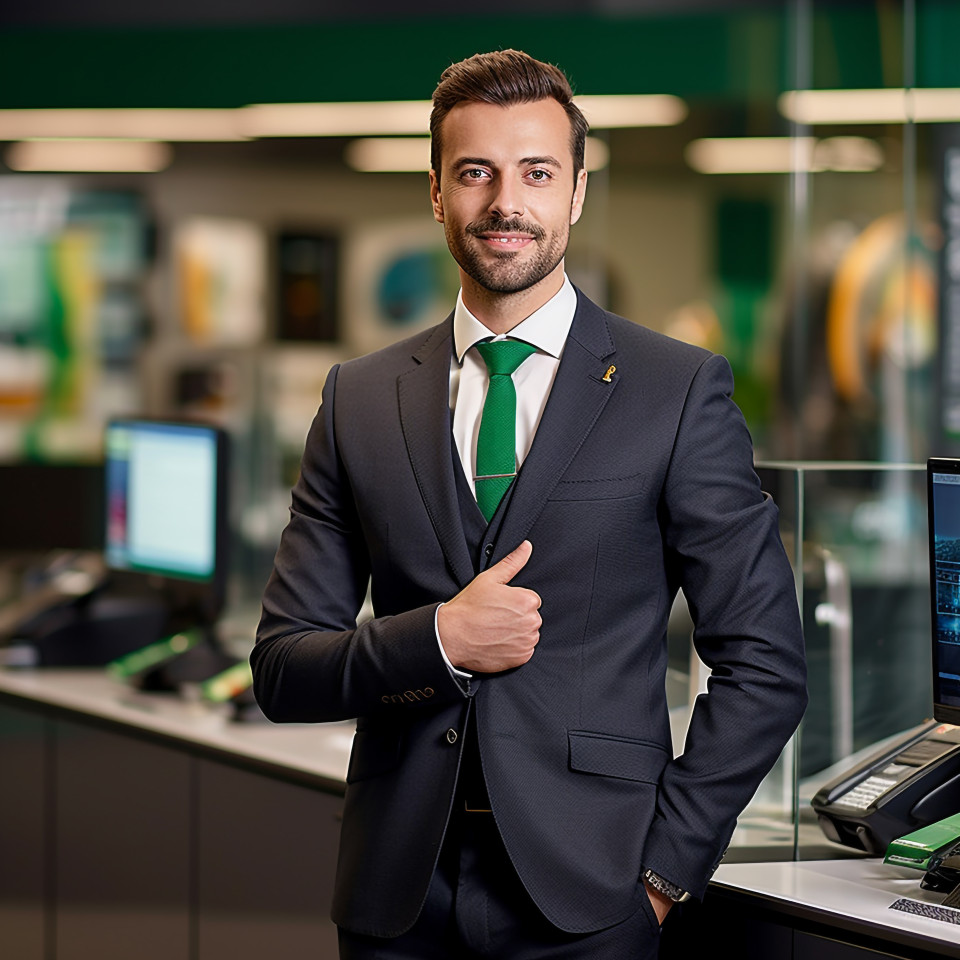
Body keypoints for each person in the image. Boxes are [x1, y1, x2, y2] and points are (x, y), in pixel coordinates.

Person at [253, 49, 807, 959]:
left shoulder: (675, 389)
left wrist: (664, 875)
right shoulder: (359, 396)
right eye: (475, 172)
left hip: (591, 900)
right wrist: (438, 641)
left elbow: (766, 662)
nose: (505, 201)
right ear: (437, 192)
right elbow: (282, 667)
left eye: (536, 172)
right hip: (397, 898)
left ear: (578, 190)